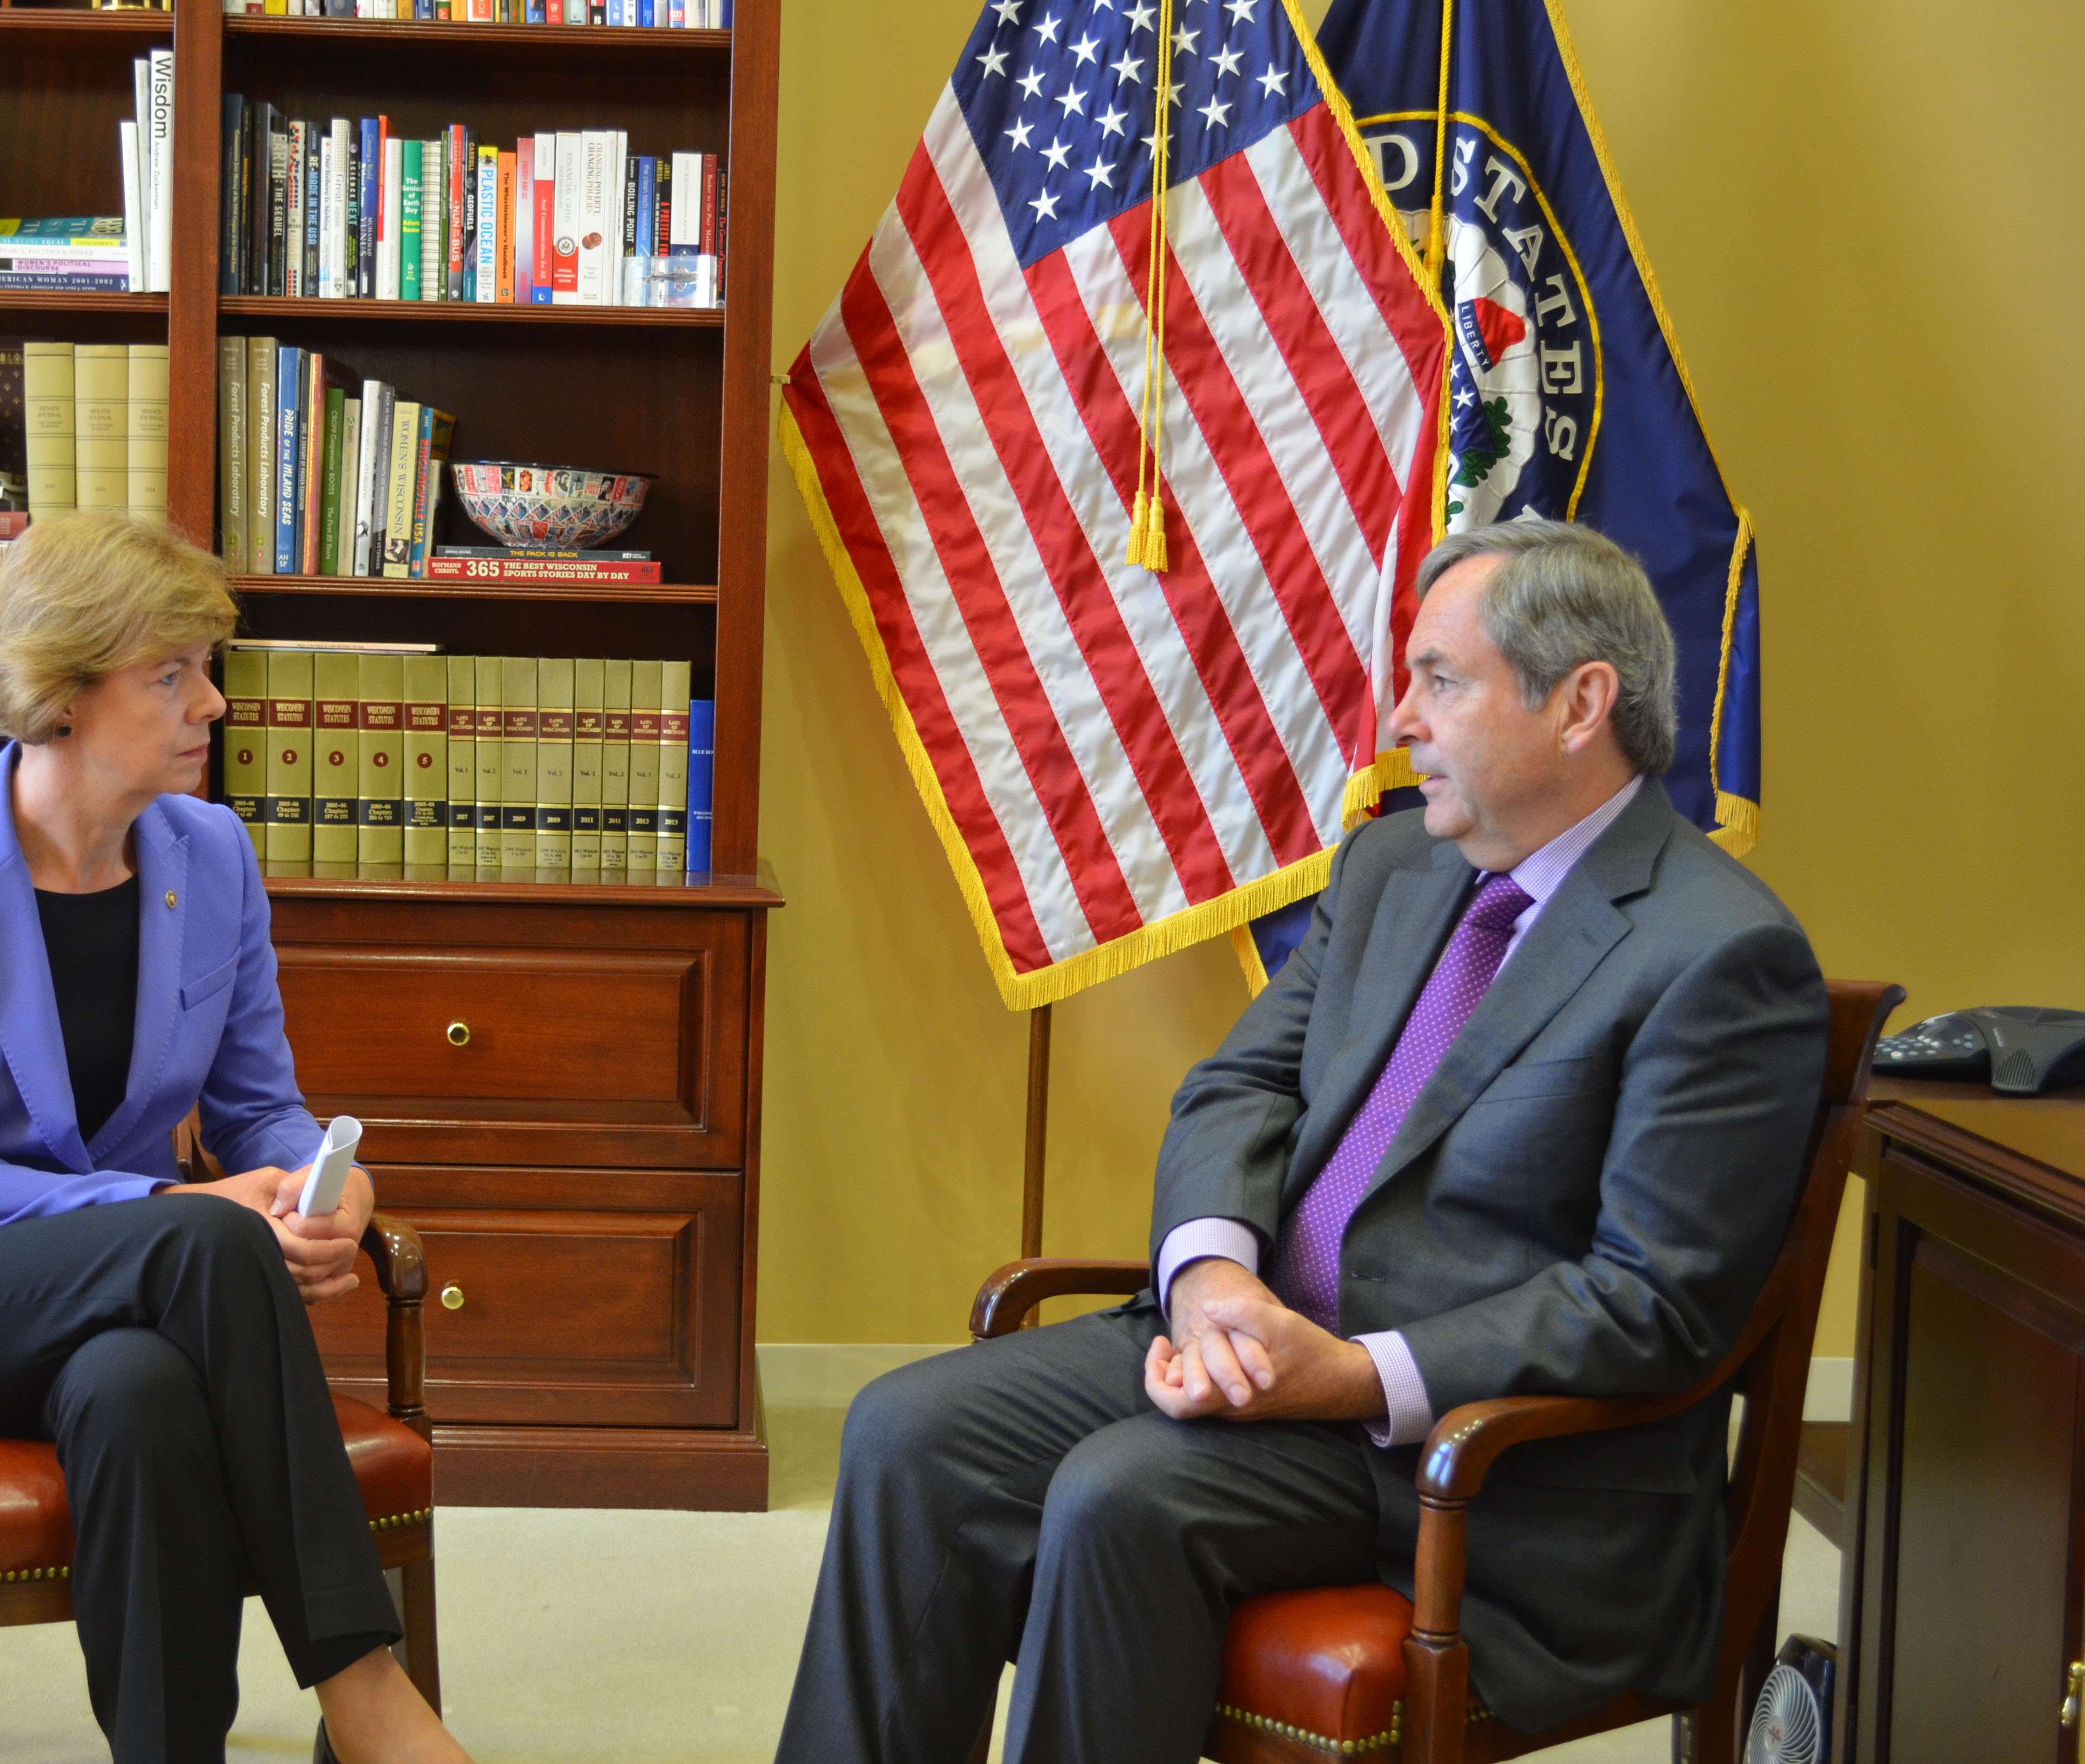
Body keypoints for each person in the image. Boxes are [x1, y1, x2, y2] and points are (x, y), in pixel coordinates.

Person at [776, 519, 1830, 1763]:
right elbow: (1241, 1085)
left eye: (1440, 679)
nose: (1399, 720)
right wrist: (1214, 1279)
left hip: (1474, 1467)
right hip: (1257, 1352)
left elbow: (1654, 1301)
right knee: (905, 1433)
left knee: (1119, 1497)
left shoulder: (1717, 955)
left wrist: (1348, 1374)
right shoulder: (1397, 865)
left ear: (1579, 704)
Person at [0, 511, 471, 1764]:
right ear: (60, 695)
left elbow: (259, 1107)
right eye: (172, 675)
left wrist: (338, 1186)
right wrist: (185, 1215)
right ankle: (365, 1692)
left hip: (127, 1302)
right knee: (197, 1245)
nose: (212, 702)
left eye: (206, 667)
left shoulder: (209, 855)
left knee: (140, 1389)